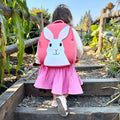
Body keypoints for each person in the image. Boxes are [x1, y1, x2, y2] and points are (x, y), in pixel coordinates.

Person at [34, 4, 83, 117]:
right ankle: (62, 97)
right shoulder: (70, 30)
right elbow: (79, 48)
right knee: (67, 81)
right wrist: (77, 57)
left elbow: (40, 47)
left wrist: (37, 60)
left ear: (53, 17)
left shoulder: (46, 30)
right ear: (69, 18)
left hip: (49, 65)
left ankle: (55, 100)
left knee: (55, 81)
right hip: (65, 65)